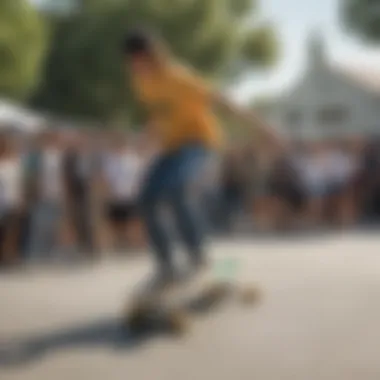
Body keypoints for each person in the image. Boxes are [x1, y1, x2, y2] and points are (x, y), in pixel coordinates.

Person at [122, 28, 281, 288]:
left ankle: (198, 257)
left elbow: (223, 101)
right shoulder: (140, 83)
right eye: (133, 63)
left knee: (175, 189)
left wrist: (263, 128)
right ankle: (166, 266)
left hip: (199, 142)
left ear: (155, 56)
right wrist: (146, 137)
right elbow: (159, 114)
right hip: (171, 147)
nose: (138, 68)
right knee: (147, 198)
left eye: (142, 62)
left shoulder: (179, 77)